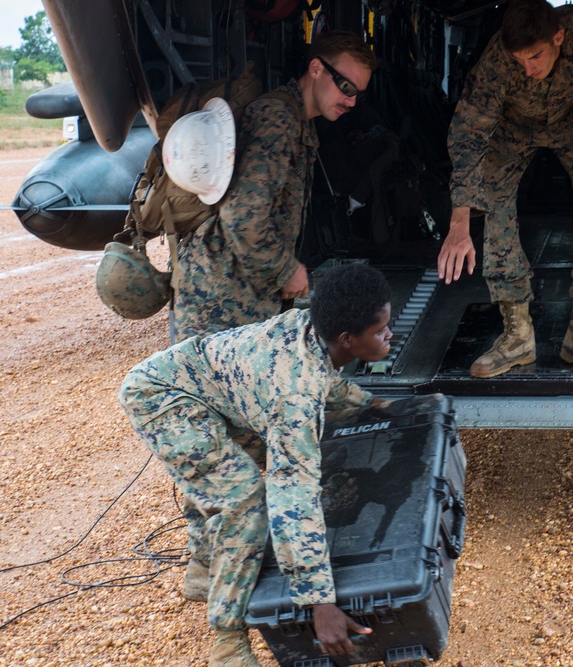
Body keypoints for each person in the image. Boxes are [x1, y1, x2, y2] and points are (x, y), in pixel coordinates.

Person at [118, 263, 394, 667]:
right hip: (161, 399)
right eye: (381, 331)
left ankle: (204, 571)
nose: (390, 335)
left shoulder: (313, 333)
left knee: (233, 475)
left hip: (209, 396)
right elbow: (293, 493)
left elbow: (327, 380)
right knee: (245, 500)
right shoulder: (293, 396)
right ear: (349, 340)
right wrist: (320, 601)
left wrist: (371, 405)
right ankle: (228, 643)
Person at [437, 0, 573, 381]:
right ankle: (516, 335)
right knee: (491, 202)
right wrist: (459, 220)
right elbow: (469, 134)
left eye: (536, 56)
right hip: (513, 126)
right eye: (520, 60)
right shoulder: (496, 61)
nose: (528, 68)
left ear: (559, 37)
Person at [172, 30, 377, 341]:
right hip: (221, 298)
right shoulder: (278, 119)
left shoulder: (297, 120)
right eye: (345, 87)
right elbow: (242, 215)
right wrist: (285, 270)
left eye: (357, 94)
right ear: (316, 69)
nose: (350, 101)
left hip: (239, 291)